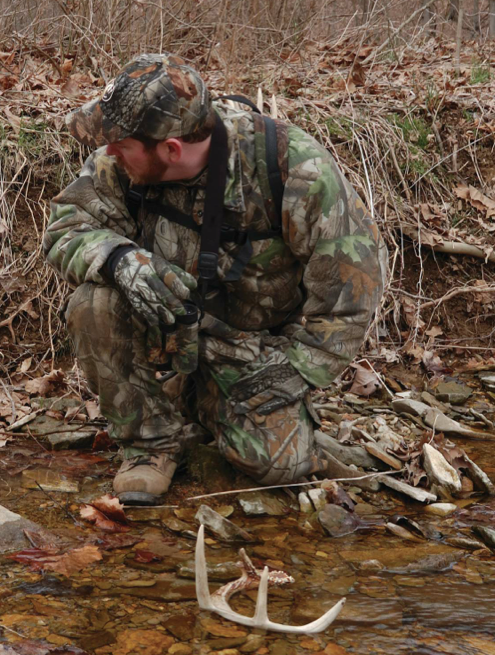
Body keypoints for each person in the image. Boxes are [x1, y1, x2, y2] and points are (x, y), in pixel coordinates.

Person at [43, 53, 387, 506]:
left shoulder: (294, 170)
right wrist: (117, 257)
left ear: (170, 148)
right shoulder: (120, 163)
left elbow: (352, 292)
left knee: (279, 465)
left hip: (254, 346)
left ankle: (203, 402)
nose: (107, 151)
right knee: (93, 302)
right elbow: (66, 228)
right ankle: (151, 445)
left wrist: (286, 375)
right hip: (164, 333)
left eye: (120, 143)